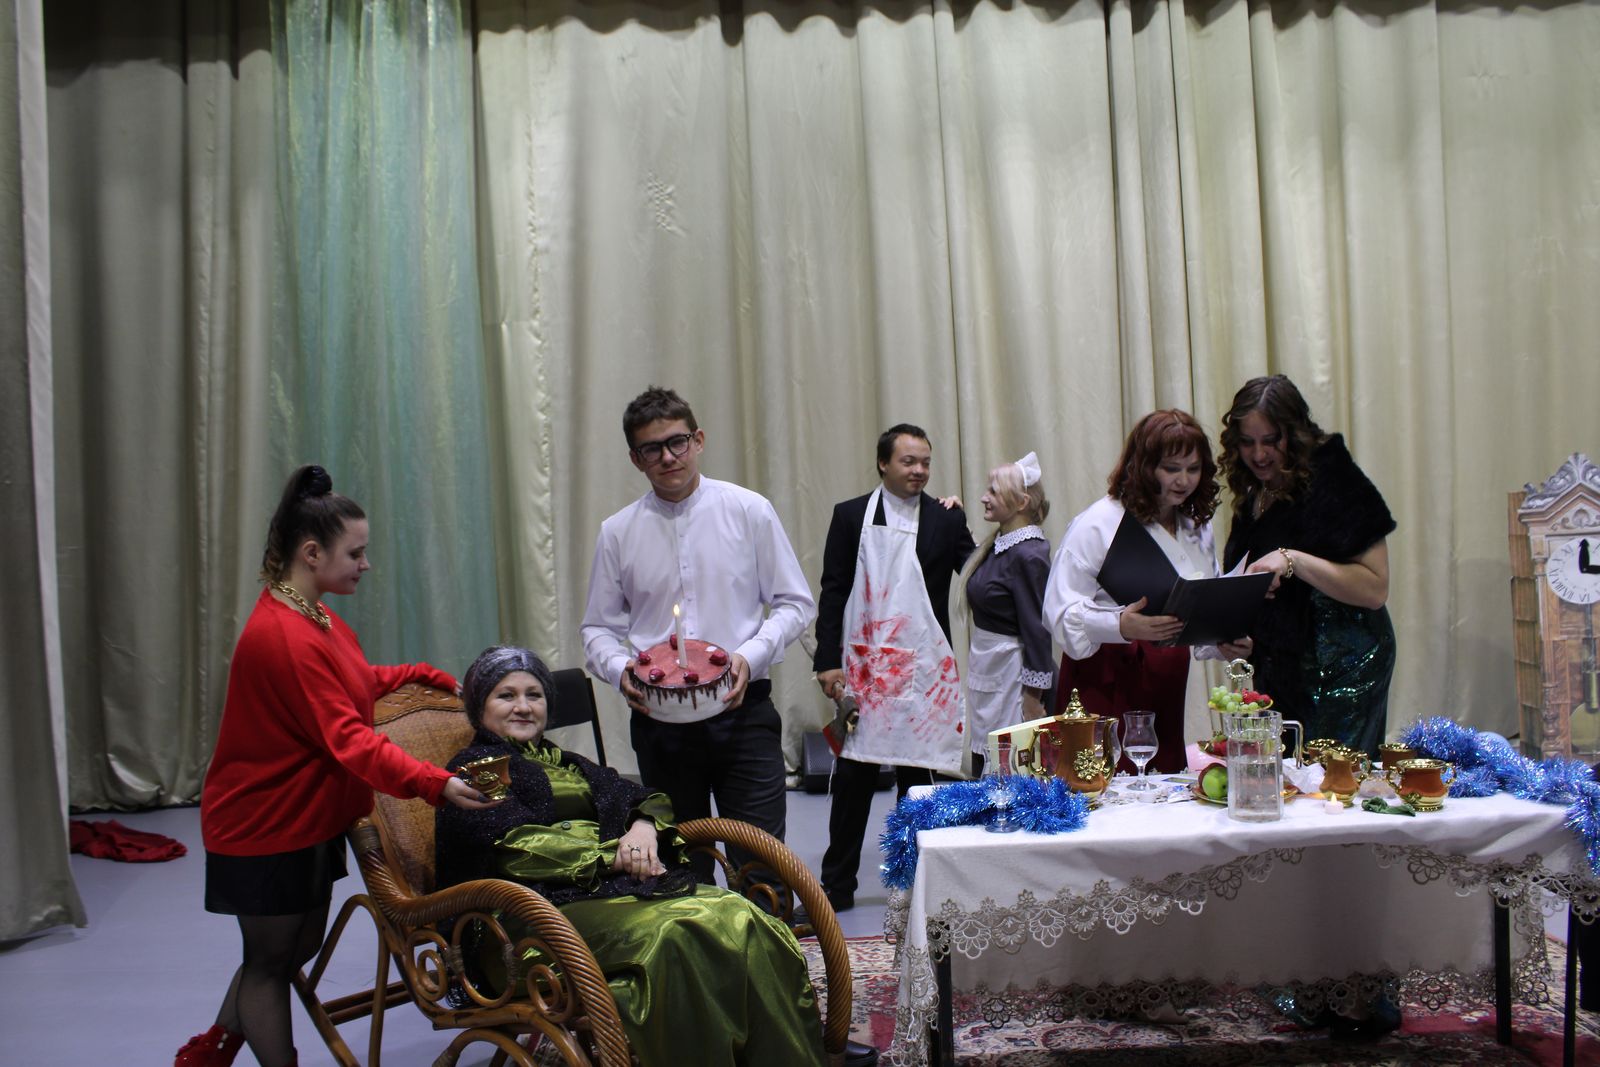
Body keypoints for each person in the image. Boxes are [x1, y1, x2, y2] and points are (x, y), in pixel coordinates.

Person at [179, 465, 498, 1067]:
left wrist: (419, 674)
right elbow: (350, 739)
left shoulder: (311, 612)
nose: (365, 564)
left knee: (291, 948)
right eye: (355, 553)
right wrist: (434, 782)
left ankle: (211, 1050)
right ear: (311, 552)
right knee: (270, 964)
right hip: (265, 825)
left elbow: (351, 681)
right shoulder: (286, 635)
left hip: (306, 816)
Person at [435, 646, 842, 1067]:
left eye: (533, 695)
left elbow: (641, 796)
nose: (523, 706)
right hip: (524, 923)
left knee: (739, 913)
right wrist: (612, 856)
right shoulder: (477, 767)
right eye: (506, 695)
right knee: (677, 931)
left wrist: (643, 826)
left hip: (600, 897)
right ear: (480, 707)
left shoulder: (565, 761)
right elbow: (514, 847)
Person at [580, 387, 815, 879]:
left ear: (698, 440)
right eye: (652, 449)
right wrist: (621, 669)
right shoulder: (617, 532)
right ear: (635, 458)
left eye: (677, 442)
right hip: (660, 726)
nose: (668, 457)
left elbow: (795, 603)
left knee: (762, 864)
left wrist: (750, 656)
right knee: (679, 870)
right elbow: (598, 628)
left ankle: (766, 930)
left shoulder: (749, 510)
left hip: (743, 714)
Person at [813, 424, 977, 912]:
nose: (919, 471)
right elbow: (834, 590)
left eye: (925, 462)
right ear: (883, 463)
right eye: (909, 461)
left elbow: (977, 575)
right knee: (853, 784)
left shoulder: (946, 519)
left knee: (917, 785)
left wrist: (1007, 529)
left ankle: (918, 885)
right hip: (865, 672)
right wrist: (827, 661)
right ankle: (836, 888)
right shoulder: (850, 516)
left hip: (921, 673)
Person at [1043, 411, 1252, 773]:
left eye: (1193, 469)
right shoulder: (1098, 523)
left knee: (1164, 779)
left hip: (1166, 680)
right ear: (1143, 466)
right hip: (1103, 676)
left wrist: (1222, 642)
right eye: (1171, 468)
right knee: (1102, 780)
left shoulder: (1195, 528)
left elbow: (1201, 605)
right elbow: (1058, 613)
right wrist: (1120, 625)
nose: (1184, 480)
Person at [1220, 375, 1396, 757]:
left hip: (1341, 664)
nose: (1259, 454)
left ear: (1294, 433)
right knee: (1283, 781)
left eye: (1271, 440)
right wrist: (1239, 638)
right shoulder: (1256, 489)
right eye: (1247, 442)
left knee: (1329, 781)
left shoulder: (1333, 477)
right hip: (1282, 666)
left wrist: (1292, 560)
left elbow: (1375, 588)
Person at [956, 452, 1055, 754]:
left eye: (993, 492)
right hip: (992, 668)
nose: (983, 498)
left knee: (1011, 764)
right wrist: (955, 519)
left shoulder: (1028, 555)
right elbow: (981, 576)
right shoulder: (1001, 546)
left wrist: (1033, 697)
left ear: (1021, 503)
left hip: (1013, 677)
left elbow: (1038, 630)